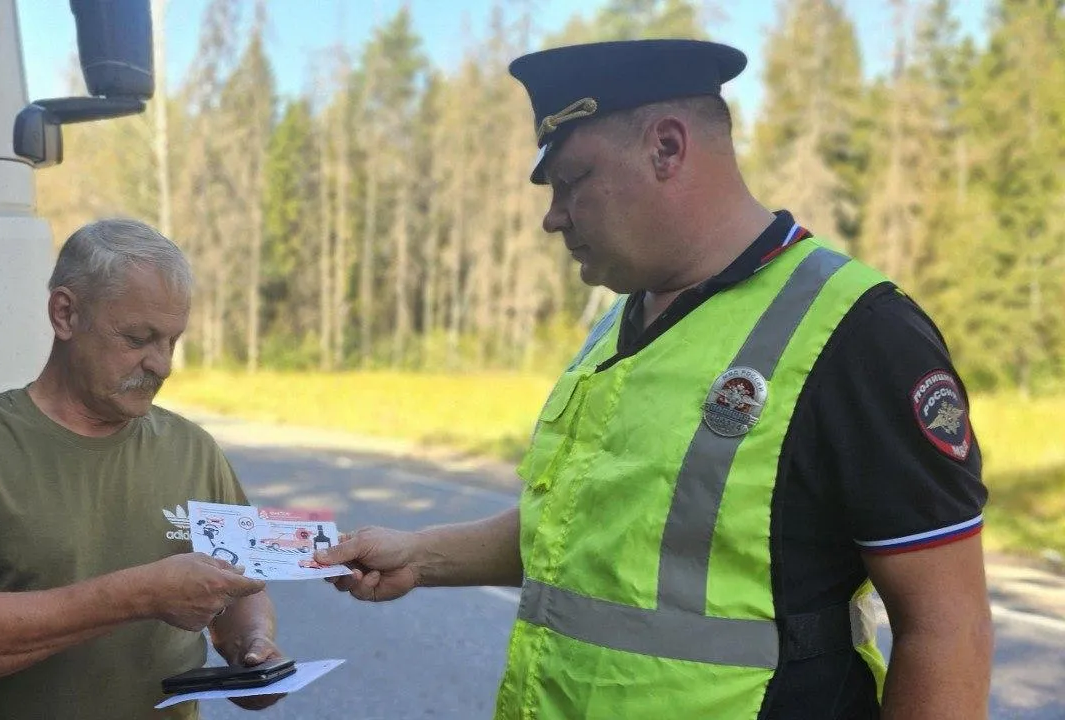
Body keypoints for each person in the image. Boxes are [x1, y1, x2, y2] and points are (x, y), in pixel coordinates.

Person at [317, 39, 993, 719]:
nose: (553, 216)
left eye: (573, 181)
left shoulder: (860, 335)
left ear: (666, 148)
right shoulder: (619, 324)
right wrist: (418, 556)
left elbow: (947, 629)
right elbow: (583, 532)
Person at [0, 218, 286, 719]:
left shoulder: (194, 448)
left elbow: (242, 586)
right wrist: (140, 595)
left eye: (172, 341)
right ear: (65, 314)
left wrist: (253, 647)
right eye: (138, 338)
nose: (162, 365)